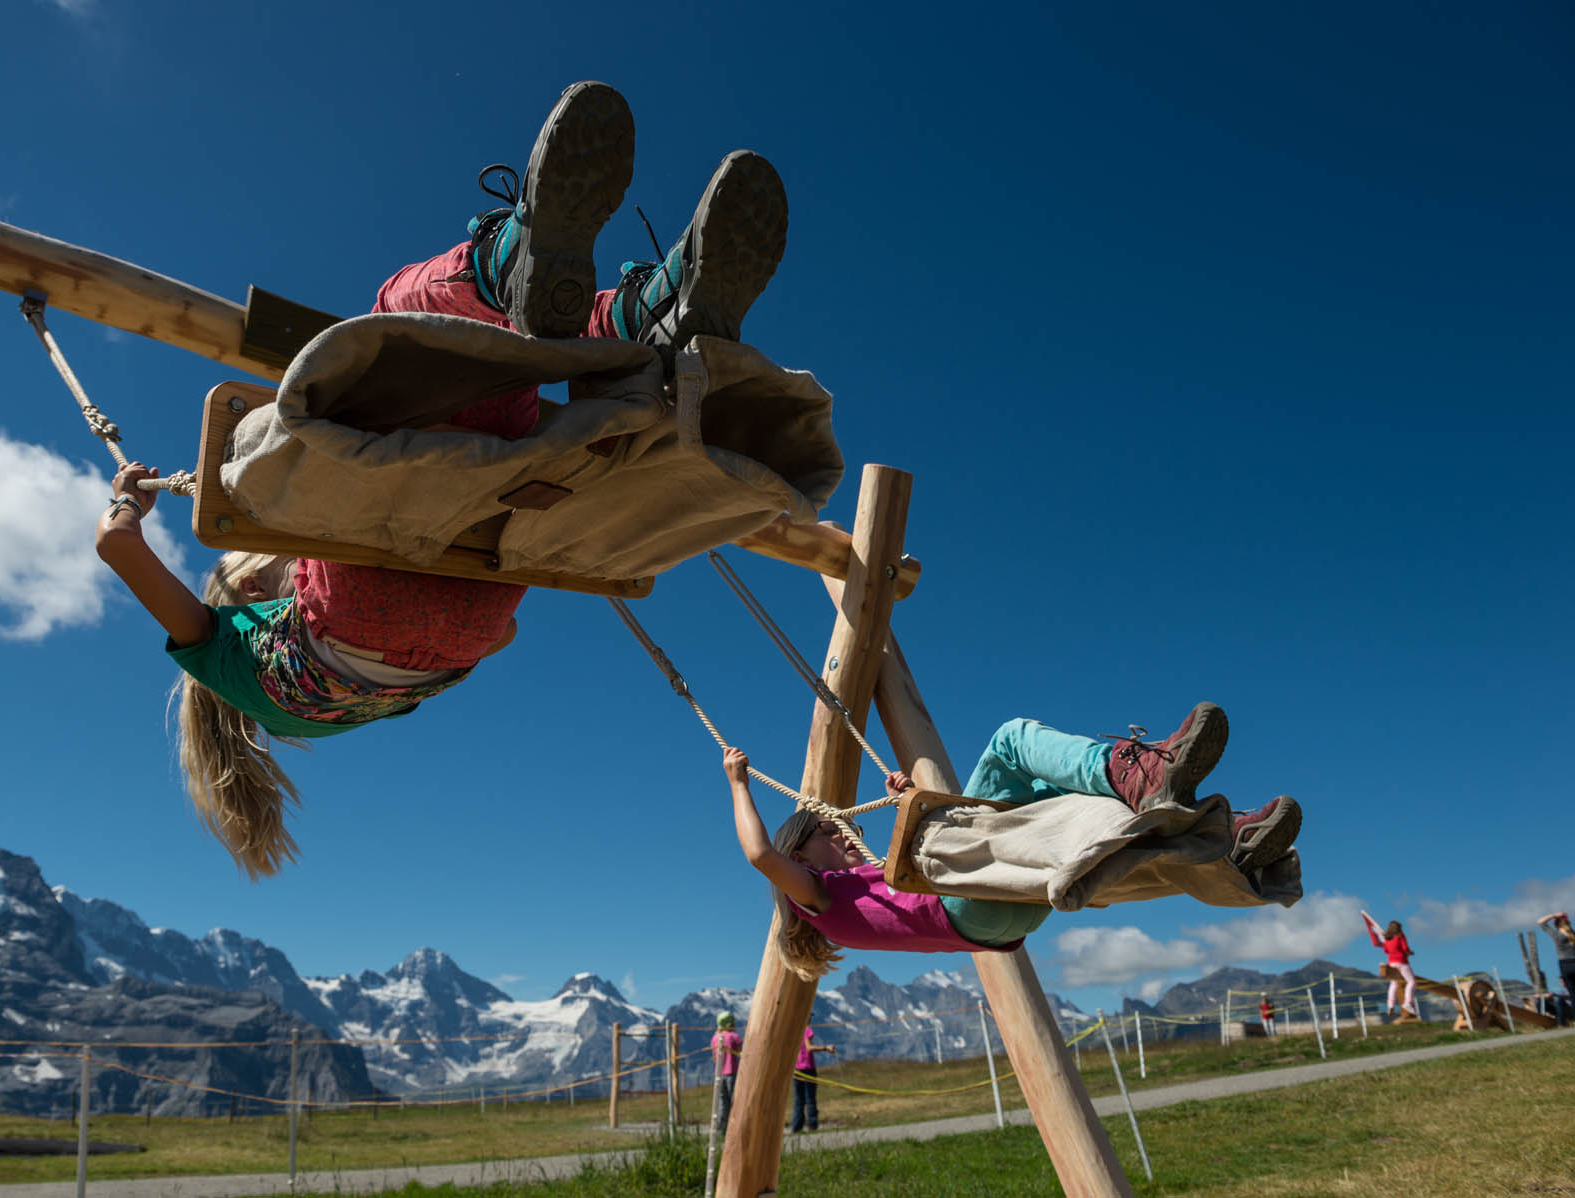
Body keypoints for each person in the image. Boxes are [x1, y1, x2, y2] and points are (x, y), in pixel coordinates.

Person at [97, 81, 789, 878]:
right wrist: (130, 493)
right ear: (250, 588)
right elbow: (115, 545)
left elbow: (506, 637)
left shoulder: (334, 717)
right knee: (405, 332)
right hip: (358, 606)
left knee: (506, 426)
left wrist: (455, 632)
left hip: (473, 611)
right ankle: (511, 270)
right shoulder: (223, 658)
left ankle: (640, 325)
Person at [725, 703, 1305, 981]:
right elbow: (758, 855)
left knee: (1052, 802)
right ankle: (1134, 772)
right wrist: (739, 785)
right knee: (1011, 741)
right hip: (969, 900)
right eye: (830, 833)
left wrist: (909, 799)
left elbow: (912, 888)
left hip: (1006, 917)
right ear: (799, 854)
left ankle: (1230, 842)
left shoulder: (859, 892)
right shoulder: (817, 897)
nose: (847, 836)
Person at [1362, 910, 1417, 1020]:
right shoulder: (1400, 936)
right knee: (1411, 982)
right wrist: (1410, 952)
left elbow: (1386, 951)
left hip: (1392, 963)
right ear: (1399, 928)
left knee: (1394, 984)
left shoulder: (1387, 939)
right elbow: (1405, 948)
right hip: (1402, 962)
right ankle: (1408, 1002)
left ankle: (1390, 1004)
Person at [791, 1025, 836, 1133]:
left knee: (799, 1100)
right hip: (807, 1069)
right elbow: (808, 1048)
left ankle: (796, 1127)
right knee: (810, 1099)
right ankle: (812, 1126)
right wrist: (826, 1048)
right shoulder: (806, 1029)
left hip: (796, 1069)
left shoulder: (794, 1029)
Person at [1536, 912, 1575, 1020]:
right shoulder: (1573, 935)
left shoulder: (1557, 935)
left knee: (1572, 993)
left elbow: (1541, 922)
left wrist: (1554, 915)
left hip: (1565, 965)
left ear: (1556, 924)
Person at [710, 1012, 742, 1129]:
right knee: (735, 1100)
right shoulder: (734, 1036)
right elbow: (741, 1052)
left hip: (719, 1074)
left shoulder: (714, 1038)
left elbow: (714, 1058)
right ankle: (735, 1127)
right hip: (732, 1073)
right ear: (730, 1023)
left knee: (722, 1103)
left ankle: (722, 1127)